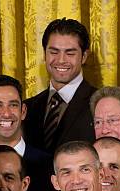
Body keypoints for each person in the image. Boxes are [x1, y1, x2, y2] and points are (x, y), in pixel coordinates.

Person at [23, 19, 97, 154]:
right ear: (44, 53)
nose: (61, 60)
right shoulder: (27, 108)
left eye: (70, 53)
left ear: (84, 56)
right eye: (54, 52)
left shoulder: (99, 104)